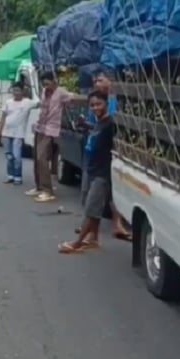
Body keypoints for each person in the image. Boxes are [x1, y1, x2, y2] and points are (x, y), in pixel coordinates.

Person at [76, 71, 131, 241]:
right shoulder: (98, 110)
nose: (96, 83)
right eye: (95, 80)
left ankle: (83, 238)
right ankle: (93, 232)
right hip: (92, 159)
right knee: (92, 197)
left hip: (102, 165)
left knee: (96, 200)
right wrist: (88, 126)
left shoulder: (113, 108)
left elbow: (112, 132)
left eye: (100, 80)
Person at [60, 90, 116, 253]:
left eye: (98, 104)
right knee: (90, 205)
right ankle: (93, 238)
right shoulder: (99, 123)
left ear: (107, 104)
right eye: (92, 105)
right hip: (91, 169)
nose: (95, 108)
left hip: (101, 173)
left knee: (92, 208)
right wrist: (87, 126)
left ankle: (78, 243)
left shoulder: (110, 124)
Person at [27, 70, 83, 203]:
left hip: (51, 129)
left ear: (54, 81)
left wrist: (92, 97)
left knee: (42, 158)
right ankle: (39, 186)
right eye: (44, 84)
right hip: (40, 127)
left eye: (47, 83)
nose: (46, 86)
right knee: (36, 158)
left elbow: (74, 98)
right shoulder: (44, 92)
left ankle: (48, 190)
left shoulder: (60, 93)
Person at [0, 83, 32, 185]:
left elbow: (39, 102)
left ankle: (18, 177)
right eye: (14, 90)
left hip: (18, 134)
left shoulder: (27, 102)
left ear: (22, 91)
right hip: (7, 133)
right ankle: (10, 176)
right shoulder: (8, 102)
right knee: (9, 156)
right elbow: (3, 117)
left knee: (17, 156)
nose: (16, 93)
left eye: (18, 90)